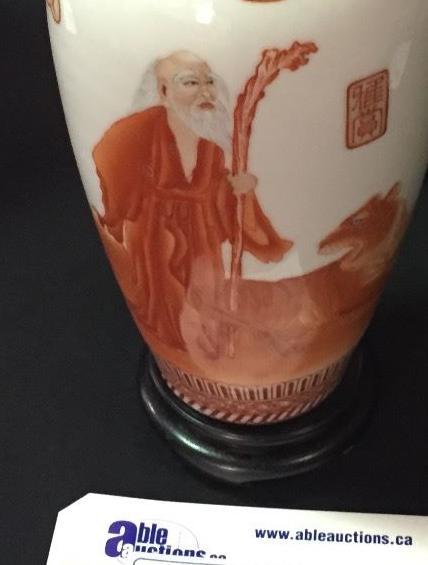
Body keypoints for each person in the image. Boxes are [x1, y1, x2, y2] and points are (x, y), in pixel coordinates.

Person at [92, 51, 292, 356]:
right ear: (163, 92)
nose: (205, 92)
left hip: (202, 239)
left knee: (207, 307)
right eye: (190, 83)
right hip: (156, 238)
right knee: (169, 311)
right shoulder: (136, 133)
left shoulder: (212, 148)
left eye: (209, 82)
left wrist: (242, 192)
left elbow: (223, 205)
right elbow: (110, 160)